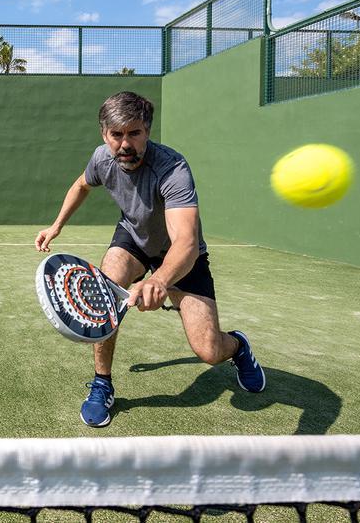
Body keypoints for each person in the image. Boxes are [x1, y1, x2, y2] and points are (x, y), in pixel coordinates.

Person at [34, 91, 265, 428]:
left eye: (134, 133)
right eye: (117, 135)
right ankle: (102, 382)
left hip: (181, 254)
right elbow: (82, 185)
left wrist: (158, 280)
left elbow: (185, 242)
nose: (125, 144)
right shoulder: (102, 159)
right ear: (104, 135)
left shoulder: (173, 169)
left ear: (147, 132)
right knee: (105, 301)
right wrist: (56, 226)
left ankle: (239, 346)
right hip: (134, 239)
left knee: (209, 350)